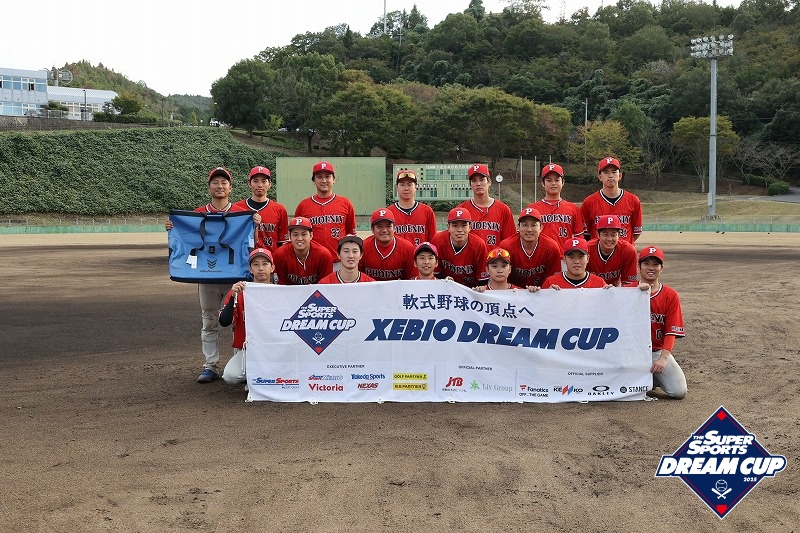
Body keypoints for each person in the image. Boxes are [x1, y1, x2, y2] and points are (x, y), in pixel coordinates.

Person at [165, 166, 250, 383]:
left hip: (234, 279)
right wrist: (173, 227)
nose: (220, 186)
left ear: (230, 187)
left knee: (238, 320)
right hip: (207, 277)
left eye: (224, 182)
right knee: (209, 320)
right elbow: (185, 238)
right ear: (209, 187)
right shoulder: (196, 214)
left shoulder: (241, 213)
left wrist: (255, 224)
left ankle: (238, 366)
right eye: (215, 182)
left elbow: (250, 242)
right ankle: (210, 365)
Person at [218, 248, 274, 386]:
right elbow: (224, 321)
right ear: (250, 269)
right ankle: (254, 376)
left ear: (272, 268)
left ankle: (259, 378)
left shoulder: (280, 292)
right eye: (256, 264)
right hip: (248, 349)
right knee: (231, 376)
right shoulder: (240, 292)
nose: (261, 268)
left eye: (265, 264)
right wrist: (233, 297)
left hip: (274, 349)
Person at [637, 246, 687, 399]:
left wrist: (663, 359)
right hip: (632, 353)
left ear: (661, 268)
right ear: (639, 267)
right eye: (646, 264)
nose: (651, 268)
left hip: (656, 352)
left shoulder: (670, 295)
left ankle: (654, 378)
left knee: (679, 392)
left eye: (655, 264)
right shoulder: (628, 291)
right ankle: (651, 379)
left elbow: (671, 331)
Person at [294, 161, 357, 270]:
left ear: (334, 179)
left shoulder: (345, 203)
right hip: (312, 261)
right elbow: (296, 235)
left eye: (327, 176)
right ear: (314, 181)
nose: (324, 180)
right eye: (319, 177)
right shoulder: (303, 206)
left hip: (339, 262)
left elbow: (351, 234)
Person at [581, 157, 643, 244]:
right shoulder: (589, 202)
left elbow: (636, 233)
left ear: (620, 176)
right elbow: (586, 234)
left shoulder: (633, 200)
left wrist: (622, 246)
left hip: (625, 250)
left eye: (614, 172)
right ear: (600, 177)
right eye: (606, 172)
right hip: (598, 251)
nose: (610, 175)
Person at [498, 207, 561, 289]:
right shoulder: (506, 246)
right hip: (513, 292)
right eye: (525, 225)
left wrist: (542, 290)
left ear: (541, 228)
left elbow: (553, 278)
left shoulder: (551, 247)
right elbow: (499, 277)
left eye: (534, 225)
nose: (529, 229)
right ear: (518, 228)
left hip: (541, 292)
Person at [232, 166, 288, 254]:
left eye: (264, 181)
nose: (260, 185)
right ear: (249, 183)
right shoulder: (236, 208)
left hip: (270, 259)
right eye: (255, 181)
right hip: (244, 259)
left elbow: (282, 244)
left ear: (269, 184)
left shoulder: (280, 210)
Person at [458, 163, 515, 247]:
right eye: (474, 180)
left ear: (489, 182)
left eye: (481, 180)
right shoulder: (461, 209)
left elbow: (510, 242)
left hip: (495, 255)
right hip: (470, 255)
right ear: (470, 185)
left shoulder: (503, 209)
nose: (478, 184)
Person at [430, 208, 489, 287]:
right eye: (455, 226)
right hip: (445, 288)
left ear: (470, 227)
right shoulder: (438, 240)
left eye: (464, 225)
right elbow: (435, 273)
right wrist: (443, 281)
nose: (460, 230)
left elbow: (483, 279)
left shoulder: (479, 245)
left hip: (472, 289)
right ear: (448, 227)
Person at [529, 163, 584, 243]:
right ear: (543, 183)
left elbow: (579, 238)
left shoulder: (573, 208)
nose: (553, 183)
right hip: (541, 251)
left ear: (563, 182)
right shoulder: (533, 209)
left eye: (557, 180)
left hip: (564, 251)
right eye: (549, 180)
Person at [273, 216, 333, 285]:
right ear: (289, 236)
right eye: (295, 235)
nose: (300, 238)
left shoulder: (323, 255)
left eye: (304, 234)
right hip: (289, 291)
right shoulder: (280, 254)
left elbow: (325, 286)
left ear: (311, 236)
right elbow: (281, 286)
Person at [360, 208, 416, 281]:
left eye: (388, 226)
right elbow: (358, 278)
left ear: (394, 228)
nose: (384, 230)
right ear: (372, 229)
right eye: (379, 226)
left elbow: (412, 279)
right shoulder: (363, 247)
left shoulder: (407, 248)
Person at [533, 238, 610, 290]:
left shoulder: (599, 283)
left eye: (581, 257)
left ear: (587, 258)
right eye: (571, 257)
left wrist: (611, 293)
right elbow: (542, 307)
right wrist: (547, 295)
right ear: (564, 259)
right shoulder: (551, 282)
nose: (576, 261)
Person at [386, 169, 437, 246]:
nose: (406, 188)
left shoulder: (427, 211)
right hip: (398, 254)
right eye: (402, 185)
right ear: (397, 187)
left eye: (410, 185)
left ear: (416, 187)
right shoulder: (389, 212)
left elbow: (433, 241)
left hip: (420, 253)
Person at [586, 214, 638, 287]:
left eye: (613, 235)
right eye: (605, 235)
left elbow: (629, 283)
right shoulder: (587, 249)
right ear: (598, 235)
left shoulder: (628, 250)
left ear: (619, 235)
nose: (609, 239)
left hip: (615, 288)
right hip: (591, 288)